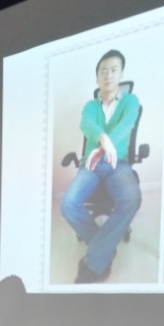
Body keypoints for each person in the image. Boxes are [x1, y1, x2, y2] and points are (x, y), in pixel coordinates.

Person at [60, 49, 143, 284]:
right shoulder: (91, 106)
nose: (108, 75)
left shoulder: (130, 101)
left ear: (121, 74)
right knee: (67, 204)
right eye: (103, 71)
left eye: (113, 70)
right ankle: (104, 249)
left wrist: (105, 144)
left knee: (132, 199)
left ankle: (95, 260)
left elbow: (127, 125)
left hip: (119, 163)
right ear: (97, 78)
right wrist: (102, 140)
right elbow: (86, 124)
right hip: (92, 163)